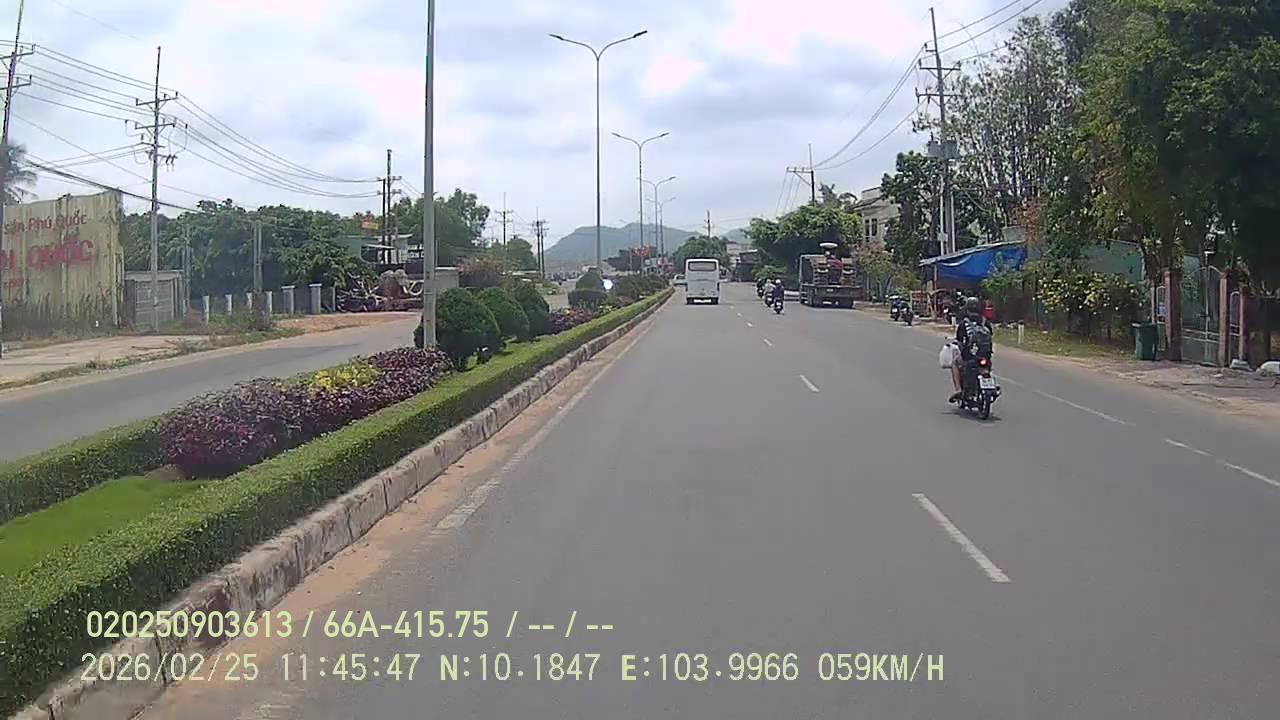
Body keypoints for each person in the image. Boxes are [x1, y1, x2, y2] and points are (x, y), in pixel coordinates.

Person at [950, 296, 992, 403]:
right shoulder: (985, 322)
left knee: (955, 363)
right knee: (986, 368)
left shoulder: (964, 323)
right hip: (985, 357)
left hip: (969, 357)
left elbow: (959, 340)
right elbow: (990, 336)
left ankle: (958, 389)